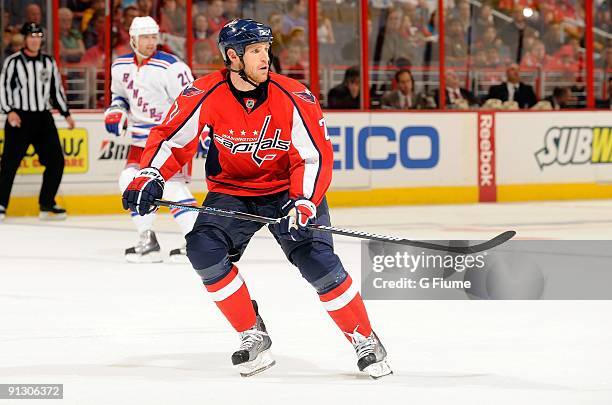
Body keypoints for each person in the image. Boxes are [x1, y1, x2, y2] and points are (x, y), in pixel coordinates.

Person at [122, 18, 392, 379]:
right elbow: (171, 139)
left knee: (317, 262)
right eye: (255, 51)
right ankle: (252, 332)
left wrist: (305, 201)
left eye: (266, 50)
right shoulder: (204, 93)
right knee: (203, 250)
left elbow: (313, 156)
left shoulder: (294, 96)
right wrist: (151, 174)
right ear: (233, 56)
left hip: (287, 193)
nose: (265, 58)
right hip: (232, 191)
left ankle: (364, 337)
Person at [105, 16, 199, 263]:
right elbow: (120, 96)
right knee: (129, 181)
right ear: (133, 38)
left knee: (172, 187)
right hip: (139, 140)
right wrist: (116, 110)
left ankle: (196, 241)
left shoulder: (172, 67)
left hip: (170, 140)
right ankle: (147, 240)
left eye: (153, 36)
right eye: (145, 37)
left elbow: (192, 104)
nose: (150, 42)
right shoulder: (120, 66)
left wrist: (201, 133)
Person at [0, 23, 75, 222]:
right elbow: (4, 87)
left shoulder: (48, 62)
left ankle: (46, 202)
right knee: (9, 164)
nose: (35, 39)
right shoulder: (13, 62)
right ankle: (0, 204)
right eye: (31, 36)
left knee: (56, 161)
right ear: (25, 39)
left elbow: (55, 90)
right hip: (20, 118)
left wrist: (66, 114)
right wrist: (9, 111)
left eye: (38, 36)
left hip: (43, 117)